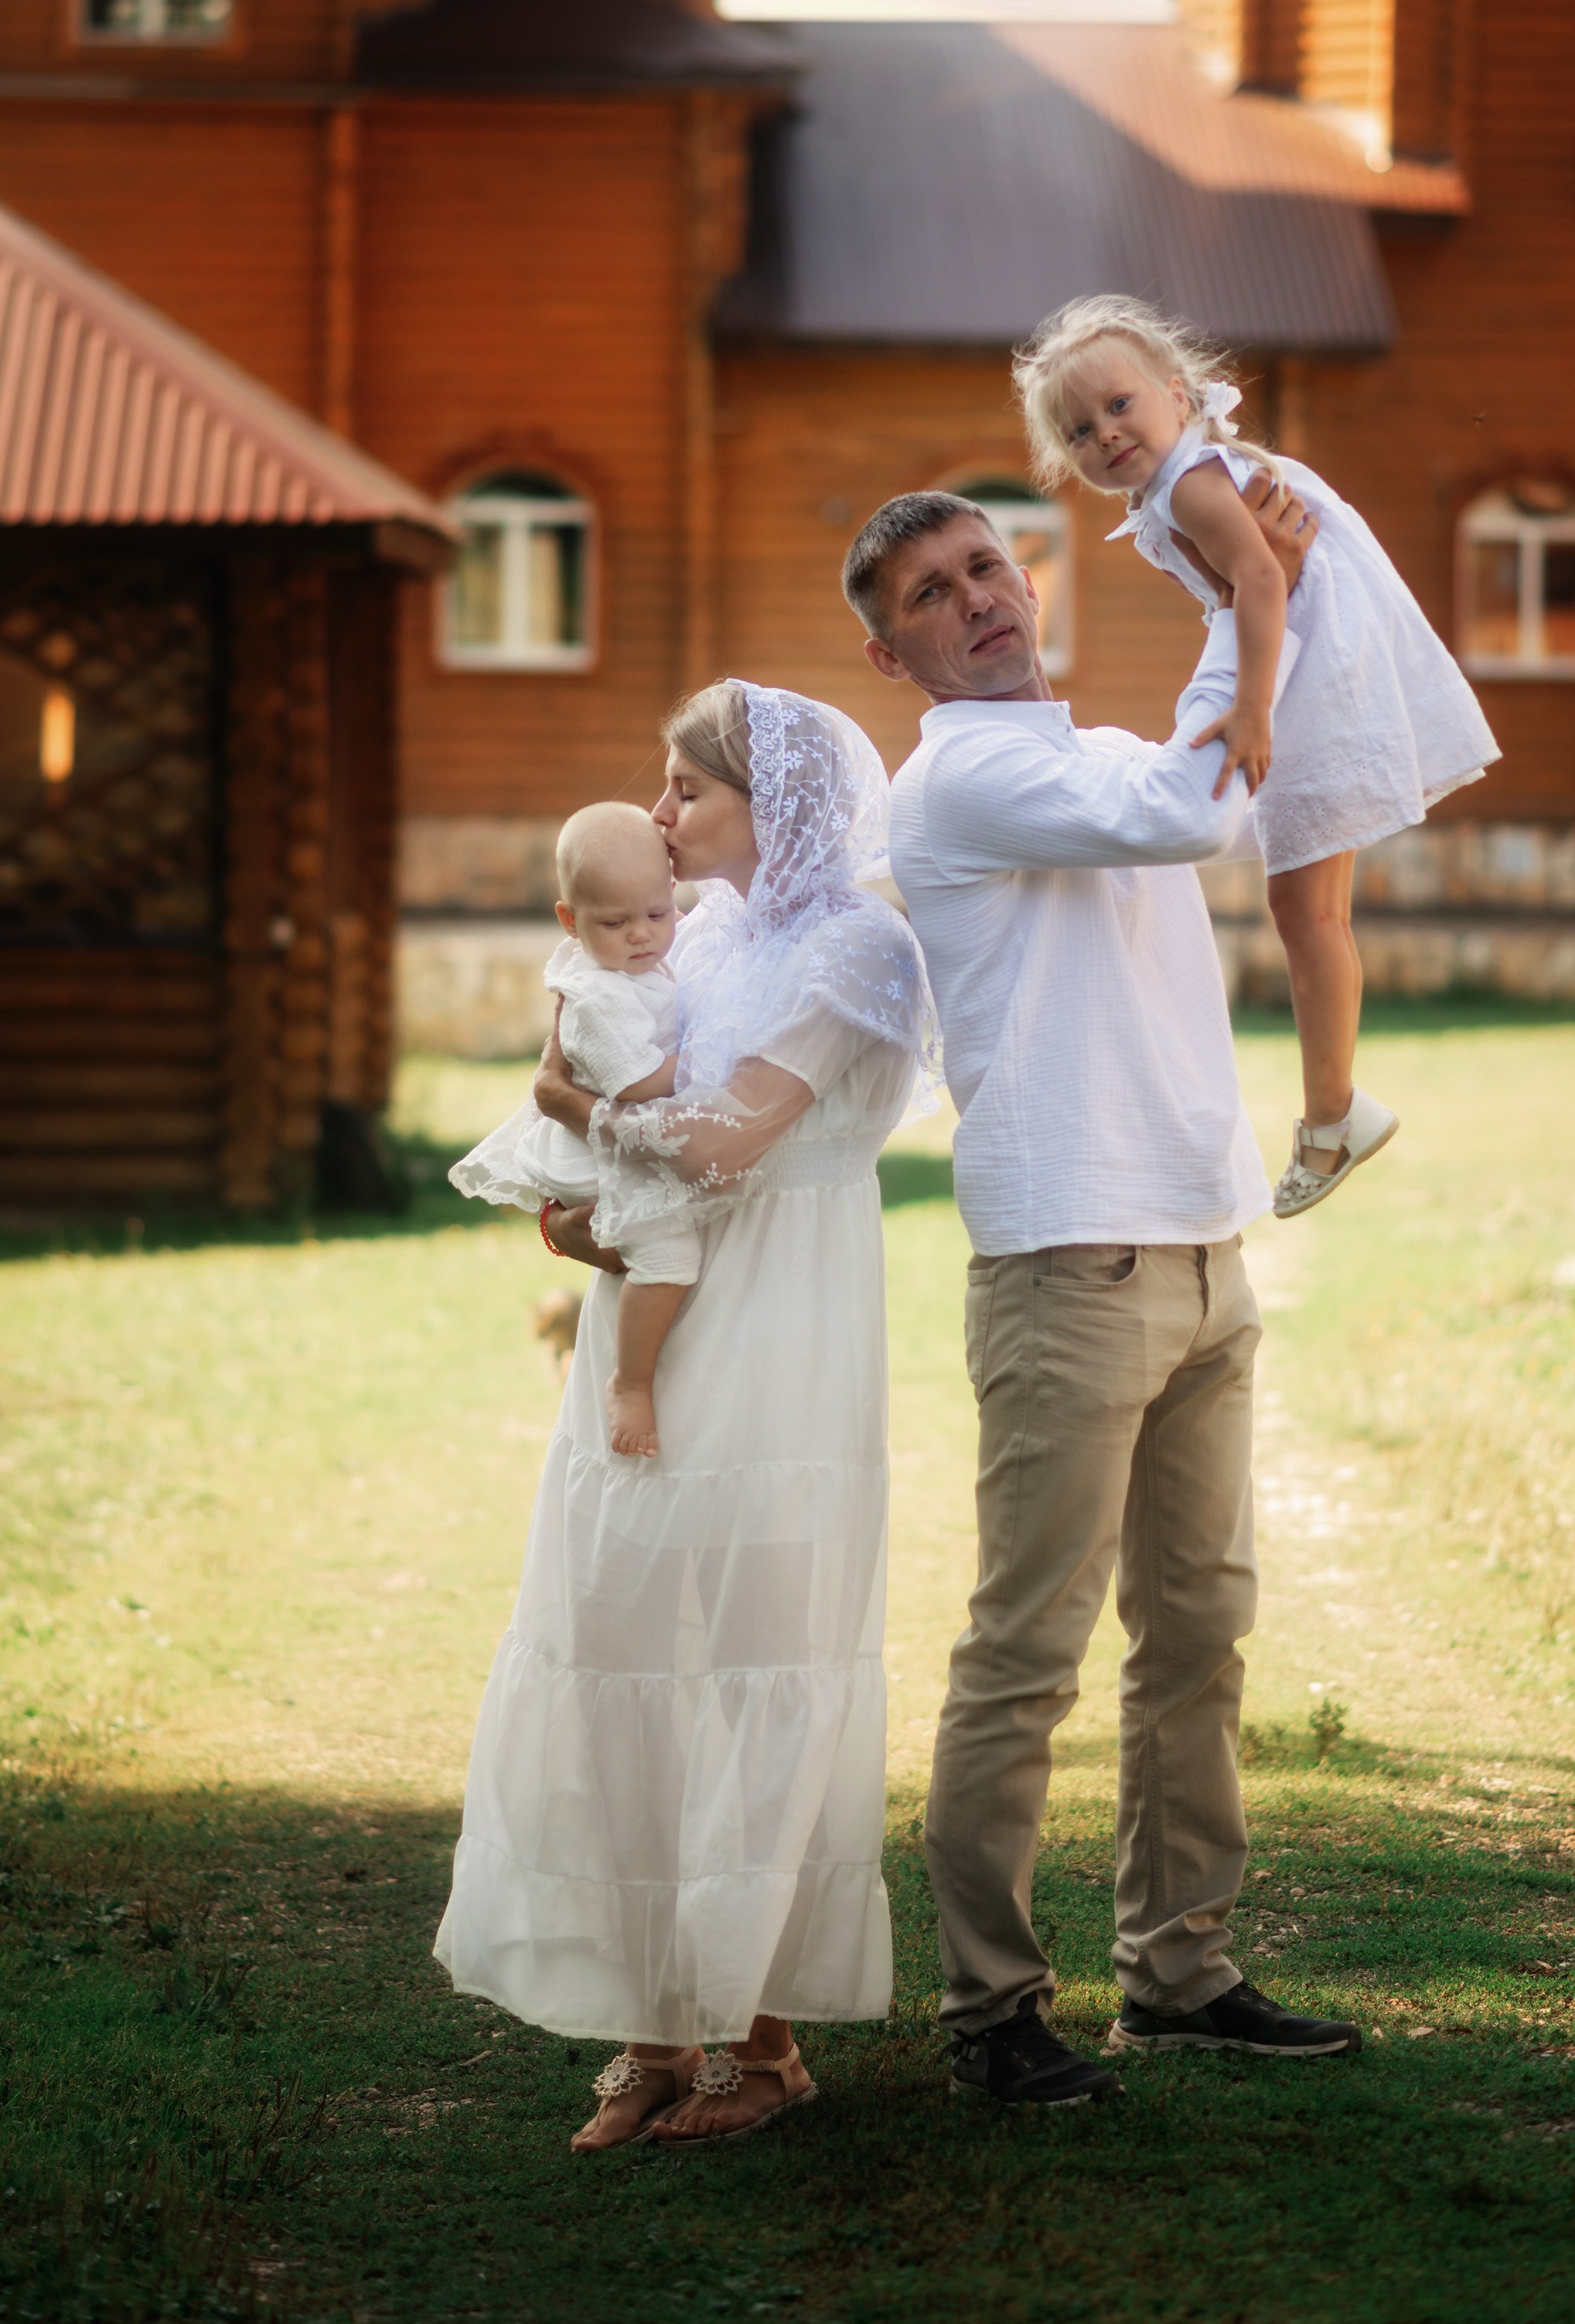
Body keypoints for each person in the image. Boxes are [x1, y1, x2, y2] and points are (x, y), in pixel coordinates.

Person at [846, 484, 1362, 2109]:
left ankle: (1178, 1972)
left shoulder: (1097, 759)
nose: (978, 598)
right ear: (892, 655)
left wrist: (1265, 594)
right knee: (1027, 1655)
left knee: (1198, 1636)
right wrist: (1238, 593)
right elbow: (1189, 808)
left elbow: (1213, 786)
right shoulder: (963, 774)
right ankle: (991, 2008)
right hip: (1068, 1269)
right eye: (932, 594)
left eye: (986, 565)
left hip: (1203, 1251)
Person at [436, 681, 935, 2150]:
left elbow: (722, 1145)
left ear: (773, 805)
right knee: (622, 1636)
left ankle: (763, 2043)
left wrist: (577, 1116)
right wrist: (574, 1204)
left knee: (758, 1647)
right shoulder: (690, 931)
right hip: (655, 1311)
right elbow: (603, 1078)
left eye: (688, 789)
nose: (659, 817)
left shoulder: (857, 945)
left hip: (782, 1319)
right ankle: (654, 2024)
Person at [1014, 294, 1500, 1216]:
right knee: (1314, 911)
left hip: (1315, 677)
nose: (1103, 434)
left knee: (1305, 912)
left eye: (1118, 405)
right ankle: (1335, 1110)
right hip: (1327, 660)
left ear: (1175, 392)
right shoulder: (1183, 479)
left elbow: (1264, 578)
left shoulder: (1192, 485)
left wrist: (1249, 708)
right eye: (1077, 431)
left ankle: (1332, 1117)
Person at [450, 802, 694, 1456]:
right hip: (595, 1159)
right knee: (668, 1255)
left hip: (622, 1142)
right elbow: (637, 1084)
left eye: (658, 914)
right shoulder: (596, 995)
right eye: (615, 922)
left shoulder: (638, 965)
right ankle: (631, 1383)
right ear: (569, 920)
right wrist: (713, 1060)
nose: (641, 934)